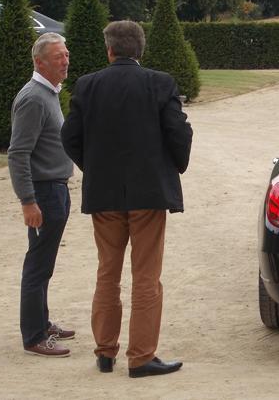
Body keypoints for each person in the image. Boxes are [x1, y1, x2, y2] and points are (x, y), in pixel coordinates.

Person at [61, 20, 193, 378]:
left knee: (107, 273)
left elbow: (69, 136)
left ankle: (105, 352)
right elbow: (177, 134)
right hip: (148, 194)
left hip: (104, 195)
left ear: (109, 50)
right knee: (146, 276)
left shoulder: (88, 85)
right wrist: (175, 164)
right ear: (140, 49)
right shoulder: (160, 83)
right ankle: (141, 356)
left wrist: (96, 168)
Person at [8, 32, 75, 358]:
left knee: (44, 263)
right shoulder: (34, 98)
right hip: (44, 193)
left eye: (65, 54)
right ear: (39, 62)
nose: (65, 61)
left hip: (55, 190)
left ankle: (42, 321)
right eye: (58, 56)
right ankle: (34, 336)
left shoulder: (48, 93)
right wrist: (28, 200)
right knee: (37, 265)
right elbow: (17, 153)